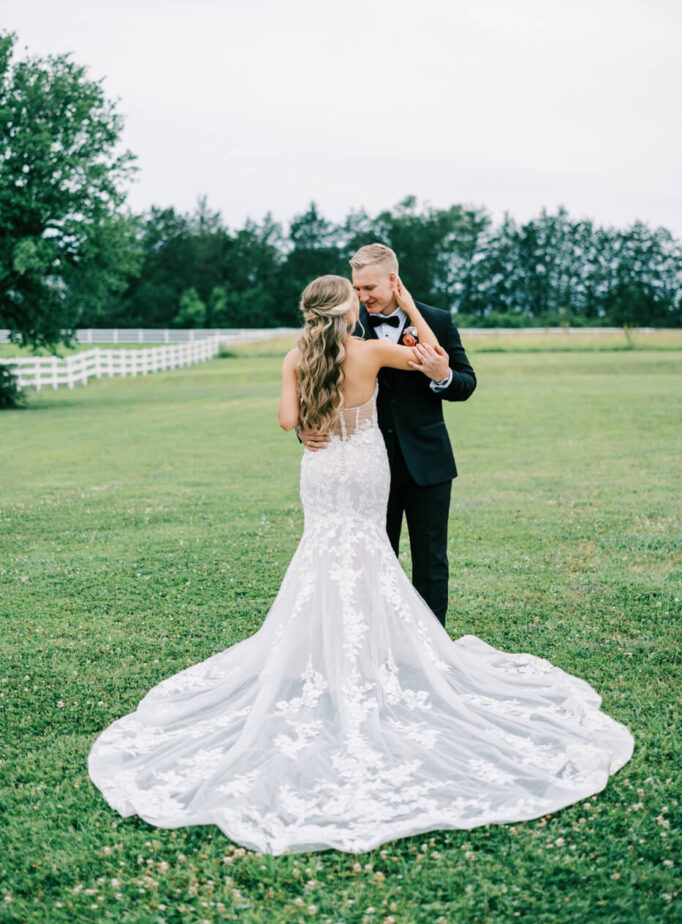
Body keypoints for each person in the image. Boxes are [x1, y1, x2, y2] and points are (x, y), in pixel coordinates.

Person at [88, 274, 634, 856]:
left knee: (323, 556)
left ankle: (327, 656)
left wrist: (308, 425)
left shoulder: (296, 356)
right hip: (367, 464)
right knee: (370, 555)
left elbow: (285, 421)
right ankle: (374, 658)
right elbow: (433, 359)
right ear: (347, 309)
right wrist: (410, 311)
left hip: (323, 470)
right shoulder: (371, 350)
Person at [299, 243, 476, 627]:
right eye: (356, 288)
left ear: (393, 280)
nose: (361, 297)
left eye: (369, 289)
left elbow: (465, 382)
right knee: (375, 557)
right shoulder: (344, 322)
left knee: (431, 558)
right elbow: (311, 380)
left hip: (427, 459)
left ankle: (433, 646)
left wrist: (440, 376)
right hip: (367, 465)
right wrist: (304, 426)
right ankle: (377, 640)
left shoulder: (436, 320)